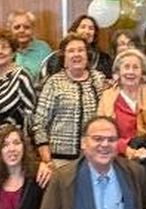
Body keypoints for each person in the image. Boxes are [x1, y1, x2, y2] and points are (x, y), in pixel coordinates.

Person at [31, 35, 108, 177]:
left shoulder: (99, 79)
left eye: (81, 50)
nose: (76, 54)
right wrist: (47, 160)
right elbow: (39, 123)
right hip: (59, 160)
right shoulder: (54, 82)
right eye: (71, 51)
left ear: (87, 55)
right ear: (64, 57)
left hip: (93, 156)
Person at [0, 28, 39, 135]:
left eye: (5, 47)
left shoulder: (21, 76)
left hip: (16, 143)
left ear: (13, 52)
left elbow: (31, 114)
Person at [98, 48, 146, 151]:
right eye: (126, 67)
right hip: (116, 152)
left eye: (135, 67)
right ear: (118, 72)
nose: (130, 72)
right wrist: (125, 149)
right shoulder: (107, 97)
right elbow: (101, 130)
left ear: (142, 73)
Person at [40, 15, 113, 81]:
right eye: (83, 27)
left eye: (91, 28)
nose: (87, 31)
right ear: (75, 30)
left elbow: (109, 82)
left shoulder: (104, 59)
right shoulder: (57, 57)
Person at [7, 10, 54, 77]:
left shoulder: (43, 49)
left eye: (26, 27)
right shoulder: (2, 49)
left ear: (33, 29)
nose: (22, 30)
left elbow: (51, 76)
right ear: (10, 29)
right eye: (17, 27)